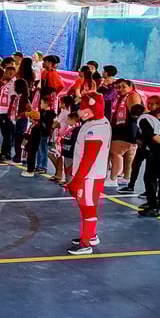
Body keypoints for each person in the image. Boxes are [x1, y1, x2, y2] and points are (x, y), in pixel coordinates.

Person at [68, 92, 111, 255]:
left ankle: (85, 243)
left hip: (90, 176)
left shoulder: (97, 128)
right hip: (90, 174)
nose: (80, 111)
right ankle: (90, 235)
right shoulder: (97, 122)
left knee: (88, 207)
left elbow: (89, 157)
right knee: (87, 205)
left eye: (83, 108)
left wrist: (76, 180)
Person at [109, 80, 142, 189]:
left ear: (130, 86)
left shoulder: (132, 96)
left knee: (116, 153)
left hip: (125, 129)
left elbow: (136, 112)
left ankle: (112, 178)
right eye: (118, 87)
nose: (120, 89)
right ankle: (126, 177)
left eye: (123, 87)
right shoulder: (122, 96)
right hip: (128, 129)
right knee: (128, 155)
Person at [23, 91, 54, 177]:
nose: (40, 104)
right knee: (39, 150)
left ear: (47, 104)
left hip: (44, 134)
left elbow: (46, 126)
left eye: (42, 103)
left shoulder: (50, 114)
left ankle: (43, 166)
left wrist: (38, 124)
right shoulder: (42, 112)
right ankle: (39, 165)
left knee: (43, 150)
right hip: (40, 133)